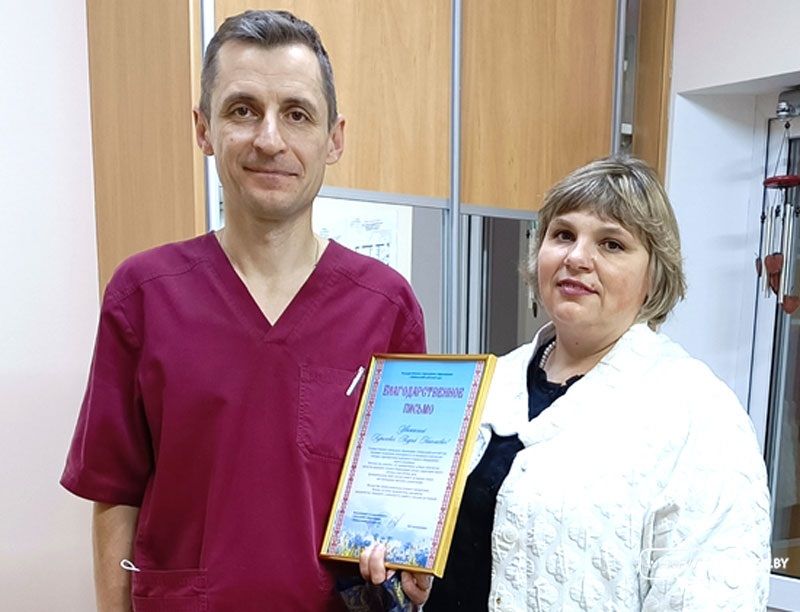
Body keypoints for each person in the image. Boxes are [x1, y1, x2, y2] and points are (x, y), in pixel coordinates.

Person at [61, 10, 428, 611]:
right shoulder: (144, 295)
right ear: (204, 129)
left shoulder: (385, 307)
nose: (270, 139)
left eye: (297, 113)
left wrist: (411, 572)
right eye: (242, 110)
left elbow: (402, 502)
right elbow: (114, 492)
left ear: (334, 138)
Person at [363, 155, 771, 610]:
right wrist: (418, 584)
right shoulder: (489, 383)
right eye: (563, 235)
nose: (576, 258)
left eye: (612, 244)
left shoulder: (699, 413)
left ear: (654, 275)